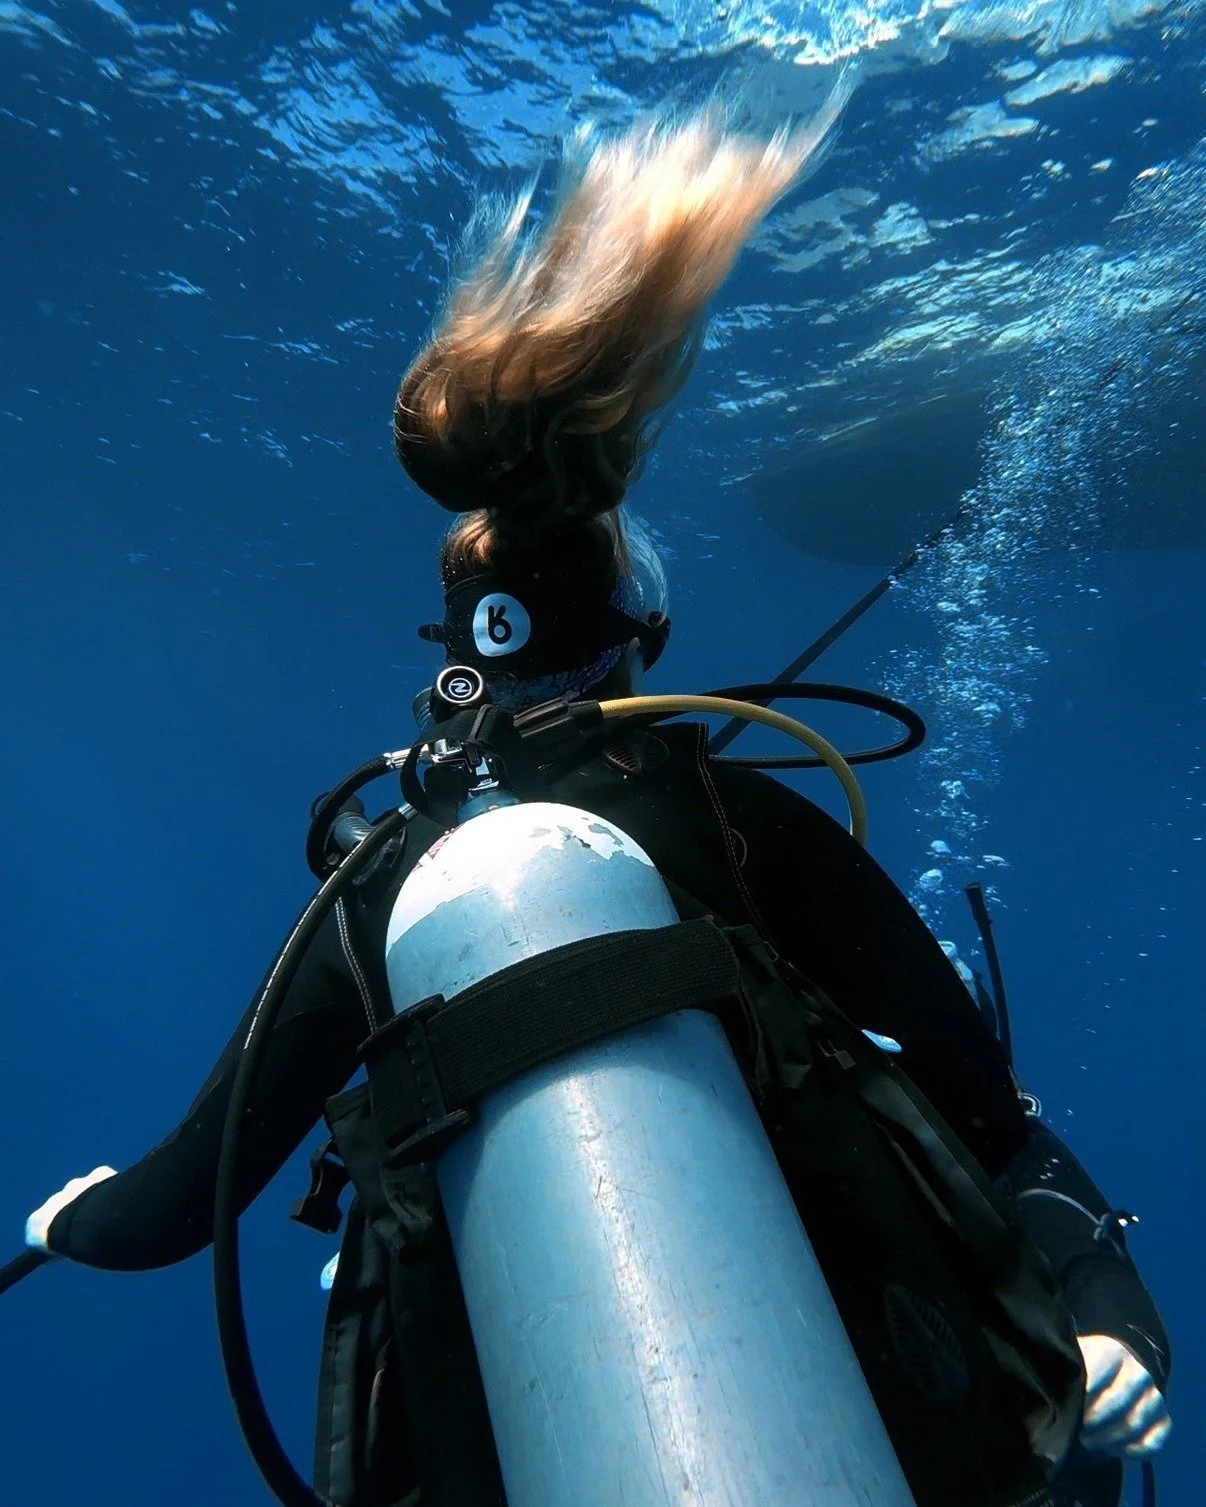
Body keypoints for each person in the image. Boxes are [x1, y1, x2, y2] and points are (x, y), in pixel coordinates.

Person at [25, 102, 1170, 1507]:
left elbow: (175, 1202)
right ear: (640, 633)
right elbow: (992, 1122)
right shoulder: (742, 824)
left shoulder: (382, 881)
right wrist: (1112, 1315)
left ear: (453, 665)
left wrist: (74, 1216)